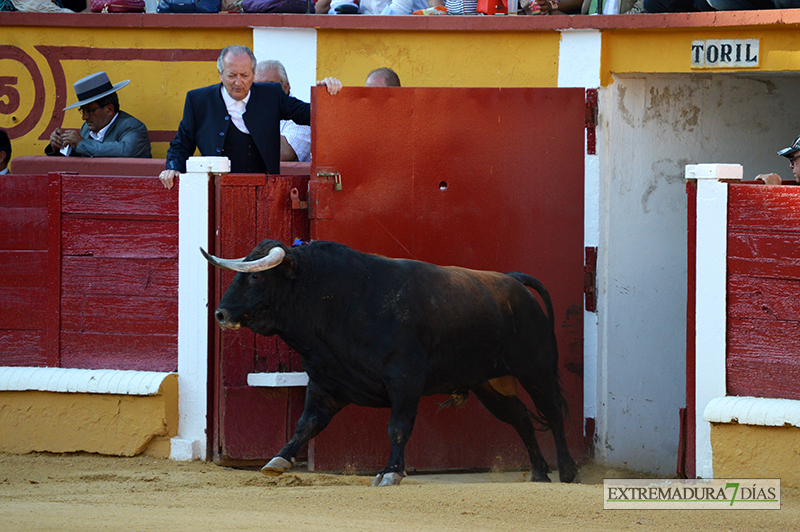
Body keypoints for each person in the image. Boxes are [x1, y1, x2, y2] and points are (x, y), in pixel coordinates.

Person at [159, 45, 341, 189]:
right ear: (220, 74)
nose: (239, 83)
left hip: (264, 189)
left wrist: (325, 94)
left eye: (245, 75)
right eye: (231, 75)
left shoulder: (271, 95)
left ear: (253, 74)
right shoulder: (198, 100)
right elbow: (182, 144)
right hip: (216, 190)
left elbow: (309, 114)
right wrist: (173, 168)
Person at [45, 72, 151, 159]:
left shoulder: (132, 126)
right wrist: (59, 147)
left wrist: (81, 143)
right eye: (83, 111)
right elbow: (83, 154)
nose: (84, 117)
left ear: (109, 110)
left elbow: (125, 151)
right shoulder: (86, 128)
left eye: (89, 111)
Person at [253, 60, 311, 163]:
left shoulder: (302, 114)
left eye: (269, 86)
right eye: (257, 87)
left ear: (285, 87)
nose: (262, 92)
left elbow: (281, 153)